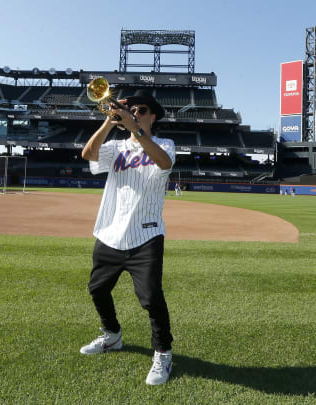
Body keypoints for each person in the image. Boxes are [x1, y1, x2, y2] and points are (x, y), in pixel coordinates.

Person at [79, 89, 175, 386]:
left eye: (141, 109)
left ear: (153, 116)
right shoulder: (117, 146)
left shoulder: (164, 144)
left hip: (146, 235)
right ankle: (112, 336)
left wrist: (135, 129)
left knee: (150, 299)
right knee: (97, 288)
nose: (134, 112)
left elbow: (164, 163)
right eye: (130, 108)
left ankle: (163, 352)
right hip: (110, 231)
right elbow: (89, 154)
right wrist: (109, 122)